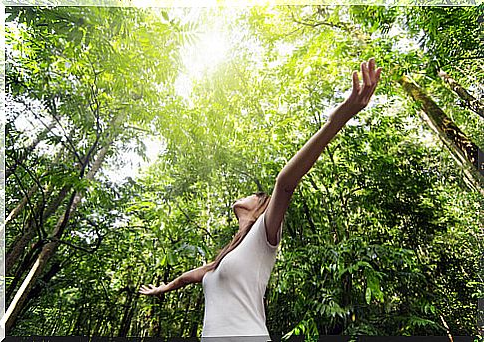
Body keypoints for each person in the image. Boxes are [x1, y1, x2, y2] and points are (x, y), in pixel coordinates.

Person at [139, 58, 382, 341]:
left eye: (252, 195)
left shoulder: (263, 235)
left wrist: (337, 119)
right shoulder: (222, 260)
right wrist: (162, 289)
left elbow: (286, 183)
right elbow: (188, 277)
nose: (242, 196)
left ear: (260, 207)